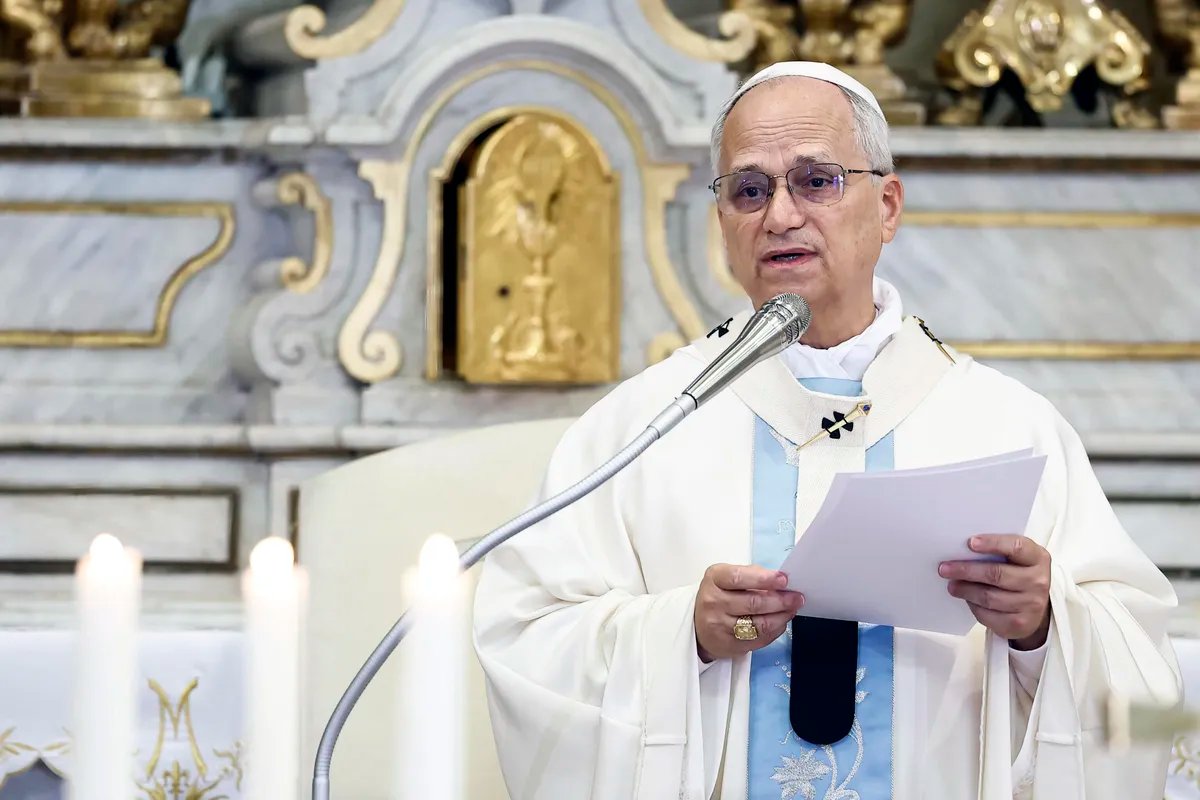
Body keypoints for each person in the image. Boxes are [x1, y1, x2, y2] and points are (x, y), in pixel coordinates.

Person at [472, 61, 1181, 800]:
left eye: (816, 180)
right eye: (749, 190)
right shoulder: (643, 425)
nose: (779, 216)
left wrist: (1043, 626)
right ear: (722, 222)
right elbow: (526, 639)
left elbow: (1142, 675)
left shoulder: (1008, 425)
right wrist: (686, 631)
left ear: (889, 206)